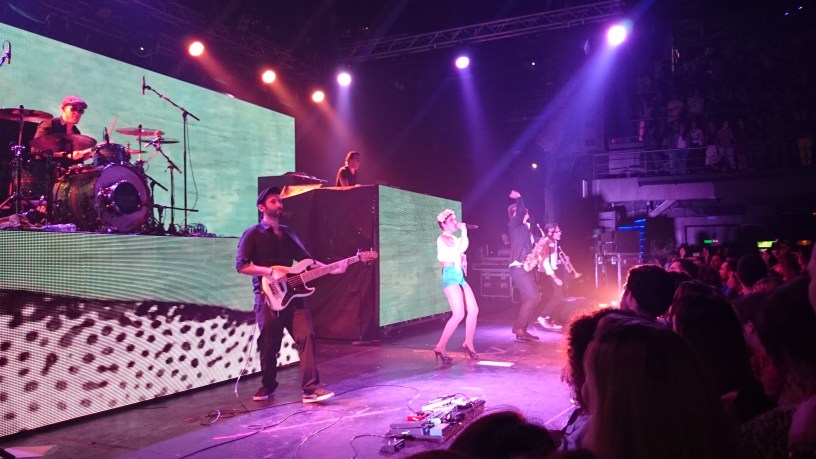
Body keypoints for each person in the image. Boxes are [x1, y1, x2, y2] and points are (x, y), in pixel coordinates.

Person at [235, 186, 343, 403]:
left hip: (293, 296)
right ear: (261, 208)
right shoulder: (252, 233)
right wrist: (269, 272)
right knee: (269, 345)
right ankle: (268, 385)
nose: (279, 204)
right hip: (268, 297)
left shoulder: (288, 233)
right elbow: (242, 266)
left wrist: (332, 268)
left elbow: (307, 261)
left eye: (280, 201)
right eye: (273, 201)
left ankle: (310, 389)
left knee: (307, 335)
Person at [433, 209, 479, 363]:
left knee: (473, 310)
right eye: (452, 220)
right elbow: (459, 248)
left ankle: (468, 343)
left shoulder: (454, 238)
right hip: (450, 277)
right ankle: (440, 346)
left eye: (455, 219)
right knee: (458, 313)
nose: (455, 222)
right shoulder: (442, 238)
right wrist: (463, 230)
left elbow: (462, 247)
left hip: (459, 276)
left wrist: (464, 231)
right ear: (444, 224)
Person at [506, 190, 542, 341]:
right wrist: (519, 198)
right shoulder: (514, 225)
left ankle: (522, 330)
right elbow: (520, 211)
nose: (526, 212)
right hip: (518, 267)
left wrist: (543, 241)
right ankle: (519, 328)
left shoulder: (526, 229)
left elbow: (534, 242)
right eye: (522, 211)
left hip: (524, 267)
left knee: (529, 298)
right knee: (534, 297)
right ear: (515, 214)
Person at [33, 95, 92, 163]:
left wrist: (90, 154)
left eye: (80, 111)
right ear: (63, 108)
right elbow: (36, 150)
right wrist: (65, 155)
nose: (77, 113)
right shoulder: (50, 124)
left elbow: (75, 160)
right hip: (44, 167)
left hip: (64, 169)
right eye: (73, 109)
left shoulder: (76, 132)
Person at [534, 223, 565, 331]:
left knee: (557, 297)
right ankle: (543, 317)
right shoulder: (546, 242)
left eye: (560, 231)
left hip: (550, 271)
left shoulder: (553, 242)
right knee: (558, 296)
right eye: (557, 231)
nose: (560, 233)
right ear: (550, 233)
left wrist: (559, 261)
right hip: (547, 273)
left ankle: (552, 321)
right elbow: (545, 262)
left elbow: (551, 259)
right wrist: (555, 277)